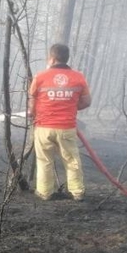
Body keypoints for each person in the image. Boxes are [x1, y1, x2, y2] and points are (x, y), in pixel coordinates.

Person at [27, 43, 92, 201]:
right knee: (72, 161)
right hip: (66, 128)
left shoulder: (40, 77)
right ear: (66, 58)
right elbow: (86, 101)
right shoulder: (78, 77)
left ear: (52, 58)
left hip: (43, 128)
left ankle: (44, 192)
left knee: (44, 161)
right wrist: (71, 106)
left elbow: (32, 101)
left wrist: (33, 113)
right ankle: (77, 192)